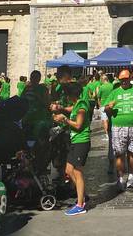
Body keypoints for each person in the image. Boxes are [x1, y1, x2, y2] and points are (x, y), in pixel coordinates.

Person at [103, 69, 133, 191]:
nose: (124, 81)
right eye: (121, 79)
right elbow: (106, 109)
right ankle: (120, 178)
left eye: (126, 79)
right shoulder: (114, 92)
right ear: (119, 79)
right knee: (119, 154)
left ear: (130, 78)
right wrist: (109, 107)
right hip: (118, 127)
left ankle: (131, 177)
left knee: (132, 152)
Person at [52, 82, 91, 216]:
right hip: (75, 142)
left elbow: (78, 125)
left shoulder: (82, 105)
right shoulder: (76, 105)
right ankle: (82, 194)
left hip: (82, 142)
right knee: (68, 170)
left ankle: (80, 205)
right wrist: (61, 109)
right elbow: (70, 109)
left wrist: (65, 120)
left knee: (77, 172)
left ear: (71, 95)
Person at [21, 70, 50, 140]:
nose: (34, 79)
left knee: (37, 141)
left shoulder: (43, 89)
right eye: (32, 77)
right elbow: (21, 100)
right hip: (27, 119)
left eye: (36, 77)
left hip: (39, 120)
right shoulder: (27, 88)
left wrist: (38, 97)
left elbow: (47, 103)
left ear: (39, 79)